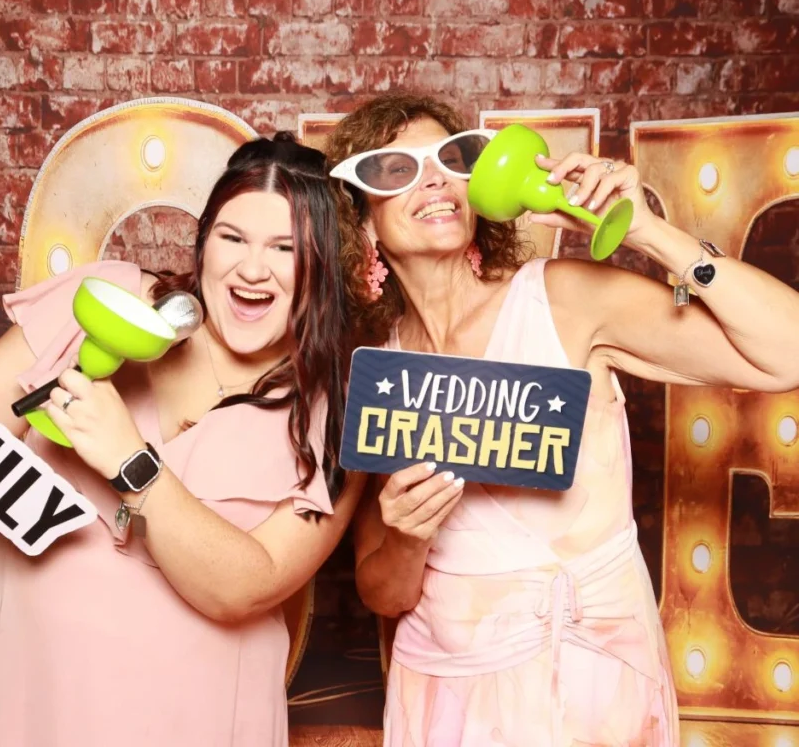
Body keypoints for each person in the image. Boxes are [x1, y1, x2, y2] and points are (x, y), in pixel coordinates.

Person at [0, 132, 363, 747]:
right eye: (233, 238)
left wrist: (130, 460)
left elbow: (248, 587)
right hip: (33, 692)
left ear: (322, 264)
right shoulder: (105, 302)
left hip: (194, 716)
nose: (252, 268)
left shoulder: (337, 412)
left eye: (286, 247)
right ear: (203, 244)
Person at [324, 93, 799, 747]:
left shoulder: (563, 300)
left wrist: (647, 233)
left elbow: (787, 353)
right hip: (446, 701)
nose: (434, 179)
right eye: (395, 169)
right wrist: (409, 538)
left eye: (452, 158)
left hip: (590, 695)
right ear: (364, 223)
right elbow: (385, 594)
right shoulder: (381, 373)